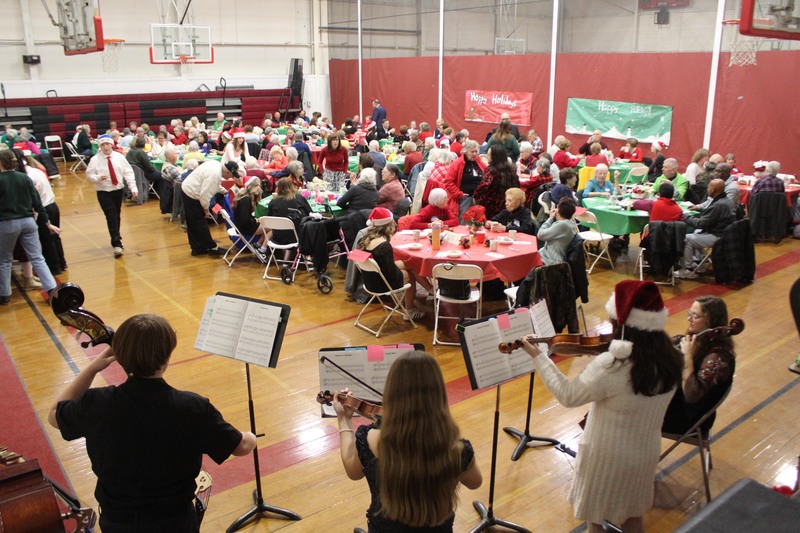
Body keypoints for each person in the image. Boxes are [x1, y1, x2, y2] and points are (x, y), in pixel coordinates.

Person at [48, 313, 257, 533]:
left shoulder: (97, 403)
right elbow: (241, 447)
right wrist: (250, 437)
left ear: (119, 356)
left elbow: (54, 414)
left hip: (117, 522)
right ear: (166, 358)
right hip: (175, 522)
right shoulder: (192, 407)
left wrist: (92, 368)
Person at [519, 280, 682, 533]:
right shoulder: (673, 357)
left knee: (595, 520)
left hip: (608, 456)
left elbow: (568, 395)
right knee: (633, 517)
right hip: (646, 453)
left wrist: (539, 357)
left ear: (624, 325)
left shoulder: (612, 365)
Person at [334, 350, 481, 532]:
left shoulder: (371, 438)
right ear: (438, 394)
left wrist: (344, 418)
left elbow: (353, 471)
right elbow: (475, 482)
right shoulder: (456, 448)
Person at [662, 296, 736, 435]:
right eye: (689, 314)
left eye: (695, 316)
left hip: (689, 421)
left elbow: (692, 395)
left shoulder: (718, 357)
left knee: (635, 412)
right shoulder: (696, 340)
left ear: (711, 321)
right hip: (675, 406)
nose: (689, 319)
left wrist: (687, 357)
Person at [0, 150, 59, 305]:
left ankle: (5, 295)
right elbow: (37, 203)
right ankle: (52, 289)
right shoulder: (25, 177)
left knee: (4, 260)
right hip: (28, 222)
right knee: (38, 258)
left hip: (7, 223)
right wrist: (47, 223)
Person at [357, 208, 431, 320]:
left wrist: (406, 265)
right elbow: (391, 273)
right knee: (409, 274)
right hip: (382, 283)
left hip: (370, 280)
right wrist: (407, 271)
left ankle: (430, 290)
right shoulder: (384, 245)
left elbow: (385, 266)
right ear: (388, 224)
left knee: (410, 264)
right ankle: (410, 310)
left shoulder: (364, 239)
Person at [86, 135, 138, 257]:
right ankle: (116, 244)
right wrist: (98, 178)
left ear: (111, 145)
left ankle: (117, 236)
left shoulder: (119, 157)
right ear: (100, 146)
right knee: (111, 215)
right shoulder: (95, 160)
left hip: (117, 190)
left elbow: (128, 172)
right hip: (103, 192)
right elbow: (89, 175)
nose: (105, 147)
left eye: (107, 144)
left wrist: (133, 187)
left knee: (116, 215)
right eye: (103, 145)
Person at [675, 178, 735, 280]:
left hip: (718, 237)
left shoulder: (718, 205)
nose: (707, 189)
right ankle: (699, 264)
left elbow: (700, 224)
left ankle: (687, 270)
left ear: (713, 189)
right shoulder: (726, 201)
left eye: (709, 187)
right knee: (696, 233)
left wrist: (685, 216)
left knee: (686, 239)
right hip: (725, 233)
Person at [181, 160, 241, 257]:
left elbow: (215, 185)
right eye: (231, 175)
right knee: (199, 223)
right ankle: (212, 248)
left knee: (193, 223)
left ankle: (198, 248)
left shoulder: (217, 165)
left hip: (189, 188)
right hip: (191, 193)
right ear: (227, 172)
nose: (230, 178)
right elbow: (205, 196)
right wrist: (206, 210)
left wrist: (225, 192)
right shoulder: (215, 174)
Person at [442, 140, 486, 221]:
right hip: (465, 199)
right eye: (472, 152)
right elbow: (448, 181)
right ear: (465, 151)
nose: (475, 154)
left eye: (476, 151)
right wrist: (459, 194)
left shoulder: (479, 162)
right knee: (465, 222)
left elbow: (486, 175)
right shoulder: (457, 163)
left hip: (478, 199)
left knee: (478, 222)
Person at [264, 174, 312, 247]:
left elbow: (270, 218)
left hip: (278, 237)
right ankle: (309, 255)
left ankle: (286, 257)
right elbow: (310, 213)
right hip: (297, 236)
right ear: (291, 186)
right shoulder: (298, 198)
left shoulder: (273, 201)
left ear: (278, 188)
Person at [474, 145, 520, 220]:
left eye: (488, 154)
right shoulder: (511, 170)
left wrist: (476, 198)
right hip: (508, 205)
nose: (487, 156)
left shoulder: (491, 170)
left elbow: (483, 186)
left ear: (494, 157)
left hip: (491, 206)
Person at [536, 198, 578, 265]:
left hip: (550, 260)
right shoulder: (572, 222)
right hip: (547, 255)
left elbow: (540, 235)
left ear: (558, 210)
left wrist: (550, 218)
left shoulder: (562, 225)